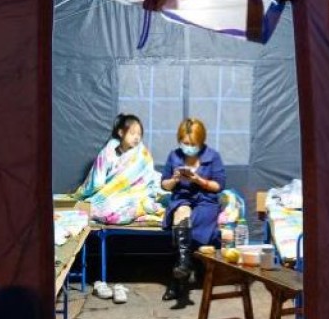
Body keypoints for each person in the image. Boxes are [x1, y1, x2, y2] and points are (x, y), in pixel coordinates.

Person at [160, 117, 226, 308]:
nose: (188, 147)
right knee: (181, 213)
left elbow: (219, 185)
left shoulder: (213, 156)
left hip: (206, 199)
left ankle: (177, 281)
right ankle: (185, 265)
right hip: (182, 197)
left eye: (192, 144)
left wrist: (199, 180)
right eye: (185, 143)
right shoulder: (174, 156)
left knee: (188, 226)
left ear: (201, 141)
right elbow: (164, 184)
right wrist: (174, 179)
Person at [72, 114, 165, 225]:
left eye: (139, 134)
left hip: (137, 193)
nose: (136, 137)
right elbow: (96, 181)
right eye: (132, 133)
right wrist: (83, 193)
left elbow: (149, 179)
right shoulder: (108, 152)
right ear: (121, 133)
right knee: (99, 208)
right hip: (111, 194)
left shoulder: (143, 155)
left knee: (147, 205)